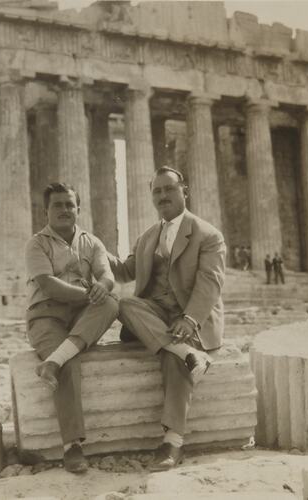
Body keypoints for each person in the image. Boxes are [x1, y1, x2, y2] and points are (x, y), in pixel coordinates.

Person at [109, 166, 225, 472]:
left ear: (184, 191)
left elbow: (210, 282)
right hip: (156, 312)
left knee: (172, 358)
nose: (163, 196)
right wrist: (92, 248)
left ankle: (172, 441)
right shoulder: (148, 236)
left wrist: (190, 319)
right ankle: (188, 354)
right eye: (157, 191)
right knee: (124, 304)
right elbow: (124, 271)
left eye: (169, 189)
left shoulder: (208, 234)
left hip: (190, 315)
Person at [24, 182, 118, 474]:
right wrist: (89, 293)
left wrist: (102, 287)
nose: (64, 209)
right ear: (46, 211)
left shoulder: (93, 242)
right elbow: (48, 285)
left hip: (81, 316)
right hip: (46, 316)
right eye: (57, 205)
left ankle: (53, 360)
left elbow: (106, 275)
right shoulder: (37, 243)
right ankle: (72, 446)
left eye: (69, 204)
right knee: (70, 360)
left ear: (78, 208)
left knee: (112, 302)